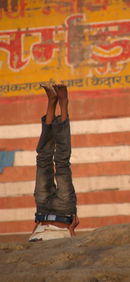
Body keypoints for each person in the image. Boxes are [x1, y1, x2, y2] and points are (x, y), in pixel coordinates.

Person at [29, 84, 79, 242]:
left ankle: (51, 102)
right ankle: (63, 103)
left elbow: (32, 237)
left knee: (43, 160)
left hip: (42, 209)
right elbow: (74, 245)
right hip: (64, 212)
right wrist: (71, 229)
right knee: (62, 163)